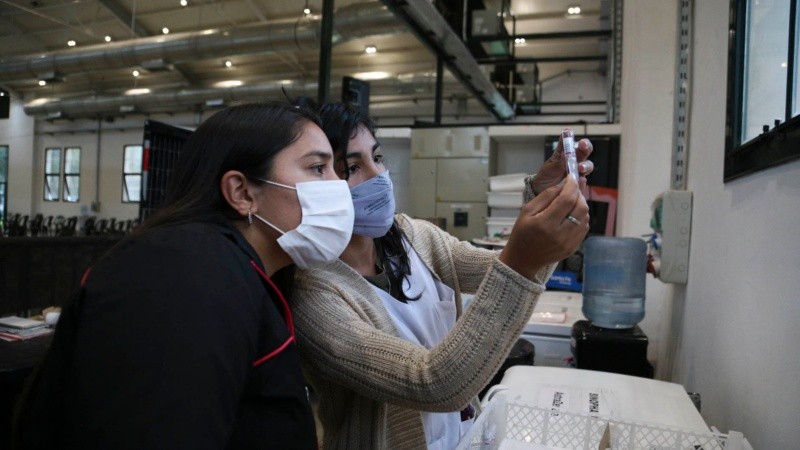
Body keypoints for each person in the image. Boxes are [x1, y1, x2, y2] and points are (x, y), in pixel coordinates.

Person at [13, 102, 354, 449]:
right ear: (242, 193)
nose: (339, 186)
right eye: (317, 168)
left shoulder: (232, 267)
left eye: (336, 170)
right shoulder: (185, 274)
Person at [290, 101, 594, 450]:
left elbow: (503, 270)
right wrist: (526, 257)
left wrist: (544, 201)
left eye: (377, 158)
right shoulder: (313, 293)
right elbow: (431, 382)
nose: (378, 177)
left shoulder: (411, 237)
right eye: (353, 167)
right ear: (319, 181)